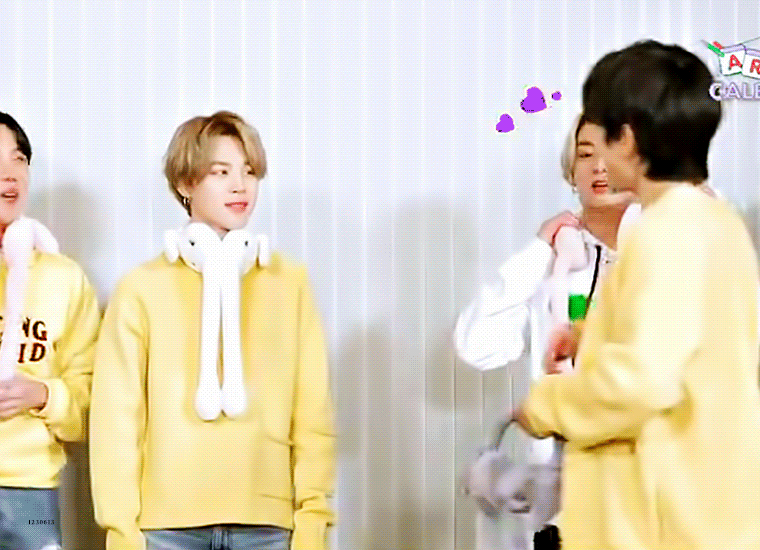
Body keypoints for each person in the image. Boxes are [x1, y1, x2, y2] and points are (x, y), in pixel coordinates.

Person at [514, 40, 760, 549]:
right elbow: (693, 344)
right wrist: (591, 335)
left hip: (662, 524)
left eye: (601, 137)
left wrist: (545, 405)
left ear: (626, 138)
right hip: (708, 513)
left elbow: (642, 382)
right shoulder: (718, 223)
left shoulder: (665, 231)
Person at [90, 111, 336, 550]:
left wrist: (313, 524)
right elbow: (116, 423)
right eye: (221, 172)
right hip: (164, 530)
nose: (240, 186)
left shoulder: (290, 282)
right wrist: (122, 532)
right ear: (186, 184)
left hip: (269, 528)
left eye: (249, 171)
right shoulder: (140, 289)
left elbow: (313, 414)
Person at [455, 113, 640, 547]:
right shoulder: (550, 266)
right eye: (585, 155)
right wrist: (539, 250)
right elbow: (475, 346)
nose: (599, 167)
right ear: (570, 174)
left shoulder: (671, 254)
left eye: (614, 153)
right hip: (559, 497)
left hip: (644, 494)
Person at [0, 112, 101, 550]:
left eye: (18, 159)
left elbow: (90, 400)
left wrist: (43, 394)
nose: (10, 174)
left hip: (33, 491)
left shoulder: (64, 278)